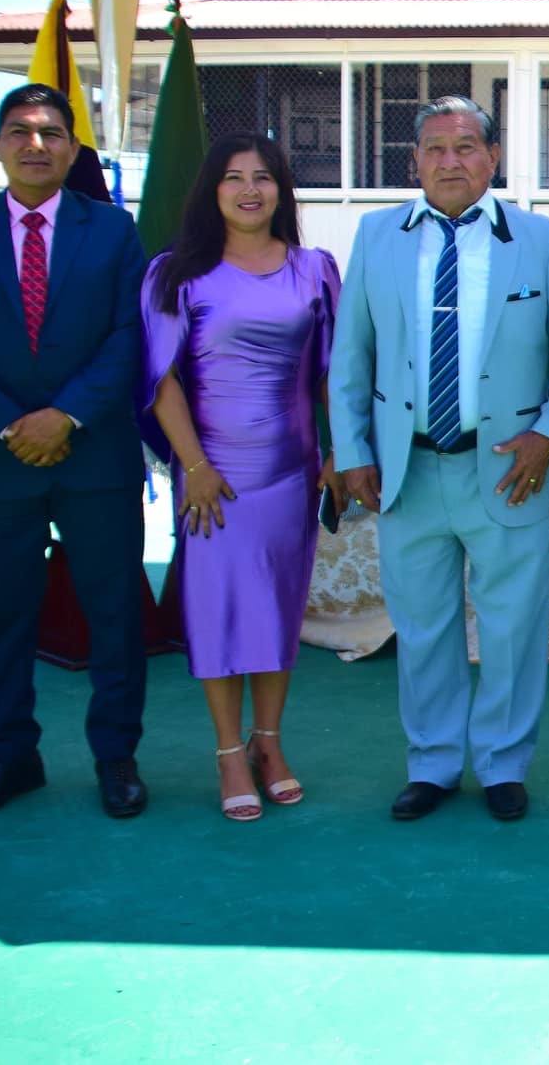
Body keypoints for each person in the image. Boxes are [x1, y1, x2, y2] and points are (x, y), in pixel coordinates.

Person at [327, 96, 549, 823]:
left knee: (512, 628)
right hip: (406, 471)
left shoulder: (541, 239)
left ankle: (504, 764)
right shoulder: (376, 236)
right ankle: (433, 764)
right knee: (422, 627)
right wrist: (352, 452)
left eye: (466, 147)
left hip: (506, 469)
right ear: (414, 160)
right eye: (435, 149)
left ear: (492, 158)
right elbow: (351, 356)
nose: (450, 161)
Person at [0, 83, 151, 820]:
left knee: (114, 617)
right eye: (19, 131)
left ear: (73, 149)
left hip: (96, 457)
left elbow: (129, 335)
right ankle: (11, 758)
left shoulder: (112, 231)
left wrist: (66, 417)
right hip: (0, 460)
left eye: (51, 132)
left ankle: (116, 758)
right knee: (6, 619)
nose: (35, 144)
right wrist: (13, 424)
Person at [139, 136, 342, 821]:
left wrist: (339, 452)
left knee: (278, 608)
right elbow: (161, 381)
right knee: (219, 608)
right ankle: (229, 751)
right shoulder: (176, 273)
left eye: (263, 177)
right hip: (212, 477)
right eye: (233, 177)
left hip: (291, 473)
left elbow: (333, 375)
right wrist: (194, 468)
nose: (249, 190)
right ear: (212, 189)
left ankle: (269, 744)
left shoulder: (315, 270)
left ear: (282, 190)